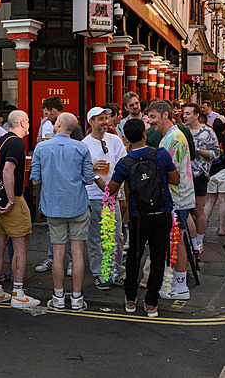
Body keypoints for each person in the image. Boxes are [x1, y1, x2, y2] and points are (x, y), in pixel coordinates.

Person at [108, 119, 179, 317]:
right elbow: (176, 179)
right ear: (144, 135)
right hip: (162, 213)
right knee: (158, 258)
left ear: (126, 140)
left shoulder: (125, 162)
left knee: (134, 256)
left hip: (139, 216)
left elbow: (112, 189)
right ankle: (151, 303)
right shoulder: (161, 154)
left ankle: (130, 298)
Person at [31, 112, 93, 312]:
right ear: (73, 129)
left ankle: (58, 297)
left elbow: (35, 180)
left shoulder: (41, 147)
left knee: (58, 253)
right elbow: (89, 179)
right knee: (77, 253)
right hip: (77, 204)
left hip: (52, 206)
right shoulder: (81, 147)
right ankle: (76, 298)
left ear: (58, 124)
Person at [0, 110, 39, 308]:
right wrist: (10, 199)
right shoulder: (17, 143)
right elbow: (8, 170)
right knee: (20, 244)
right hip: (11, 197)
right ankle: (18, 293)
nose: (29, 124)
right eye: (27, 121)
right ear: (22, 122)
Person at [147, 101, 194, 300]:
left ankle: (180, 286)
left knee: (178, 242)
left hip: (178, 198)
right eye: (149, 117)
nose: (150, 122)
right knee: (176, 241)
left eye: (153, 117)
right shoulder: (169, 136)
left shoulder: (174, 138)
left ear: (165, 115)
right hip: (176, 197)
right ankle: (176, 283)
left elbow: (169, 171)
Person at [82, 107, 127, 290]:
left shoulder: (115, 140)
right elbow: (80, 171)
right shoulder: (84, 144)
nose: (105, 122)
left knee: (116, 235)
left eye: (106, 118)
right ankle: (100, 273)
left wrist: (121, 190)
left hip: (113, 195)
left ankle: (117, 272)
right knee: (96, 237)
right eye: (100, 119)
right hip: (93, 196)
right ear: (91, 122)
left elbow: (124, 164)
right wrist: (92, 168)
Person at [182, 103, 220, 253]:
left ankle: (199, 240)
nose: (184, 116)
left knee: (198, 209)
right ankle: (187, 238)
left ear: (196, 115)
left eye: (188, 113)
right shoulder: (181, 131)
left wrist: (197, 150)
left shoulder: (207, 132)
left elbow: (216, 153)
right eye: (184, 113)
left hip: (199, 174)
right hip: (183, 174)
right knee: (184, 208)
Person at [204, 118, 225, 236]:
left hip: (211, 171)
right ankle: (222, 228)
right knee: (224, 201)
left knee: (210, 201)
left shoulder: (209, 138)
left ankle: (201, 227)